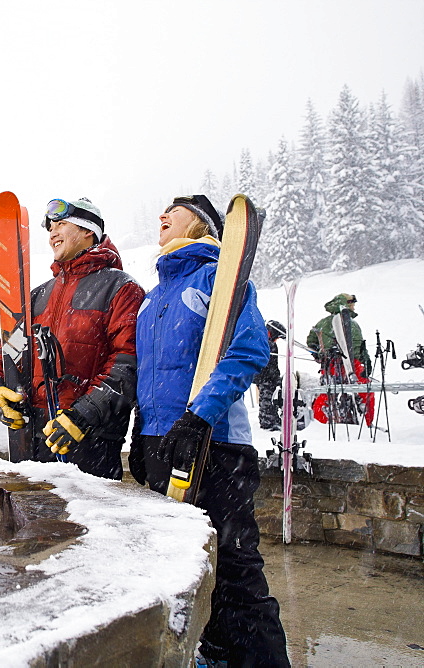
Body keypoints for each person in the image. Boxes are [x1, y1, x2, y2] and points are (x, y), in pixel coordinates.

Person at [130, 194, 290, 667]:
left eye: (173, 211)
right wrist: (144, 433)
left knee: (233, 567)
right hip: (165, 444)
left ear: (201, 226)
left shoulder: (218, 278)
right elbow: (148, 374)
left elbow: (247, 350)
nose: (161, 216)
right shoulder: (151, 299)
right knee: (183, 566)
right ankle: (215, 653)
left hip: (216, 443)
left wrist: (201, 415)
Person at [0, 197, 144, 479]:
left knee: (84, 522)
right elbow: (8, 351)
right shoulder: (38, 296)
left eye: (61, 224)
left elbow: (126, 363)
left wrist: (84, 415)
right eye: (50, 227)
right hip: (34, 440)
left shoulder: (120, 288)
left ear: (88, 231)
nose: (52, 233)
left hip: (90, 441)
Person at [306, 293, 374, 426]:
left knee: (328, 392)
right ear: (346, 304)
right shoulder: (350, 324)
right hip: (350, 363)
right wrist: (365, 361)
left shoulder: (324, 322)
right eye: (352, 304)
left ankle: (320, 421)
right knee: (365, 391)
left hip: (333, 363)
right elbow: (359, 346)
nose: (354, 306)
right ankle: (368, 422)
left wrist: (317, 353)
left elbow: (311, 340)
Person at [255, 320, 285, 430]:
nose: (277, 340)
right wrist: (276, 378)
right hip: (265, 376)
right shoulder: (269, 344)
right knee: (268, 397)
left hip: (260, 374)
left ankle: (266, 419)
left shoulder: (259, 338)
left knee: (265, 397)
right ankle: (268, 421)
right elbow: (272, 365)